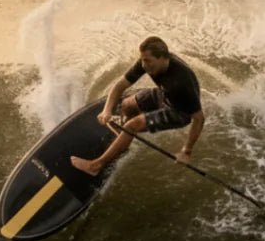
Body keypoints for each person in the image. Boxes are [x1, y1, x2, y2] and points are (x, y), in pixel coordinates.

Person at [70, 36, 204, 176]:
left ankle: (96, 166)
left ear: (163, 58)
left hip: (179, 112)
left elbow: (199, 118)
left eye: (148, 61)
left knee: (132, 125)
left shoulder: (182, 82)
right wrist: (107, 110)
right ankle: (123, 140)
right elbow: (120, 85)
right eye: (142, 59)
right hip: (164, 95)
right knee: (128, 104)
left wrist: (186, 151)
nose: (144, 65)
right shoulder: (146, 62)